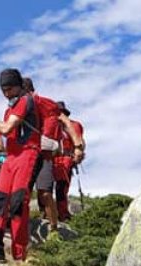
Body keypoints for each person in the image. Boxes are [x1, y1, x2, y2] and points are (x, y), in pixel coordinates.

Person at [0, 68, 41, 264]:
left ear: (19, 86)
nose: (6, 93)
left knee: (19, 202)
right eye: (3, 89)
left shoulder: (24, 101)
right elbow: (5, 132)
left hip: (27, 154)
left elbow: (6, 128)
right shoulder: (10, 107)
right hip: (11, 157)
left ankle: (19, 253)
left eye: (9, 88)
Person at [21, 77, 85, 238]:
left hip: (51, 156)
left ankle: (55, 225)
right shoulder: (19, 107)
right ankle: (22, 222)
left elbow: (69, 126)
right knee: (24, 190)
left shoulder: (47, 106)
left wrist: (77, 148)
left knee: (48, 191)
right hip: (28, 154)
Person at [52, 101, 84, 221]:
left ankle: (63, 214)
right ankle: (52, 213)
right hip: (52, 158)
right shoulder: (52, 126)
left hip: (65, 159)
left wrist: (77, 155)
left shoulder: (74, 125)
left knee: (61, 187)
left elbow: (79, 142)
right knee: (49, 187)